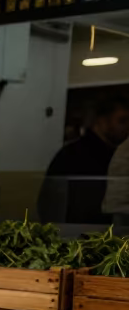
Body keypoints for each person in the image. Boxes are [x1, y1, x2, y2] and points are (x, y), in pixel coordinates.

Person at [43, 96, 129, 224]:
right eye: (122, 121)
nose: (127, 127)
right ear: (101, 121)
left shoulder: (117, 155)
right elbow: (51, 203)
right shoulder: (74, 154)